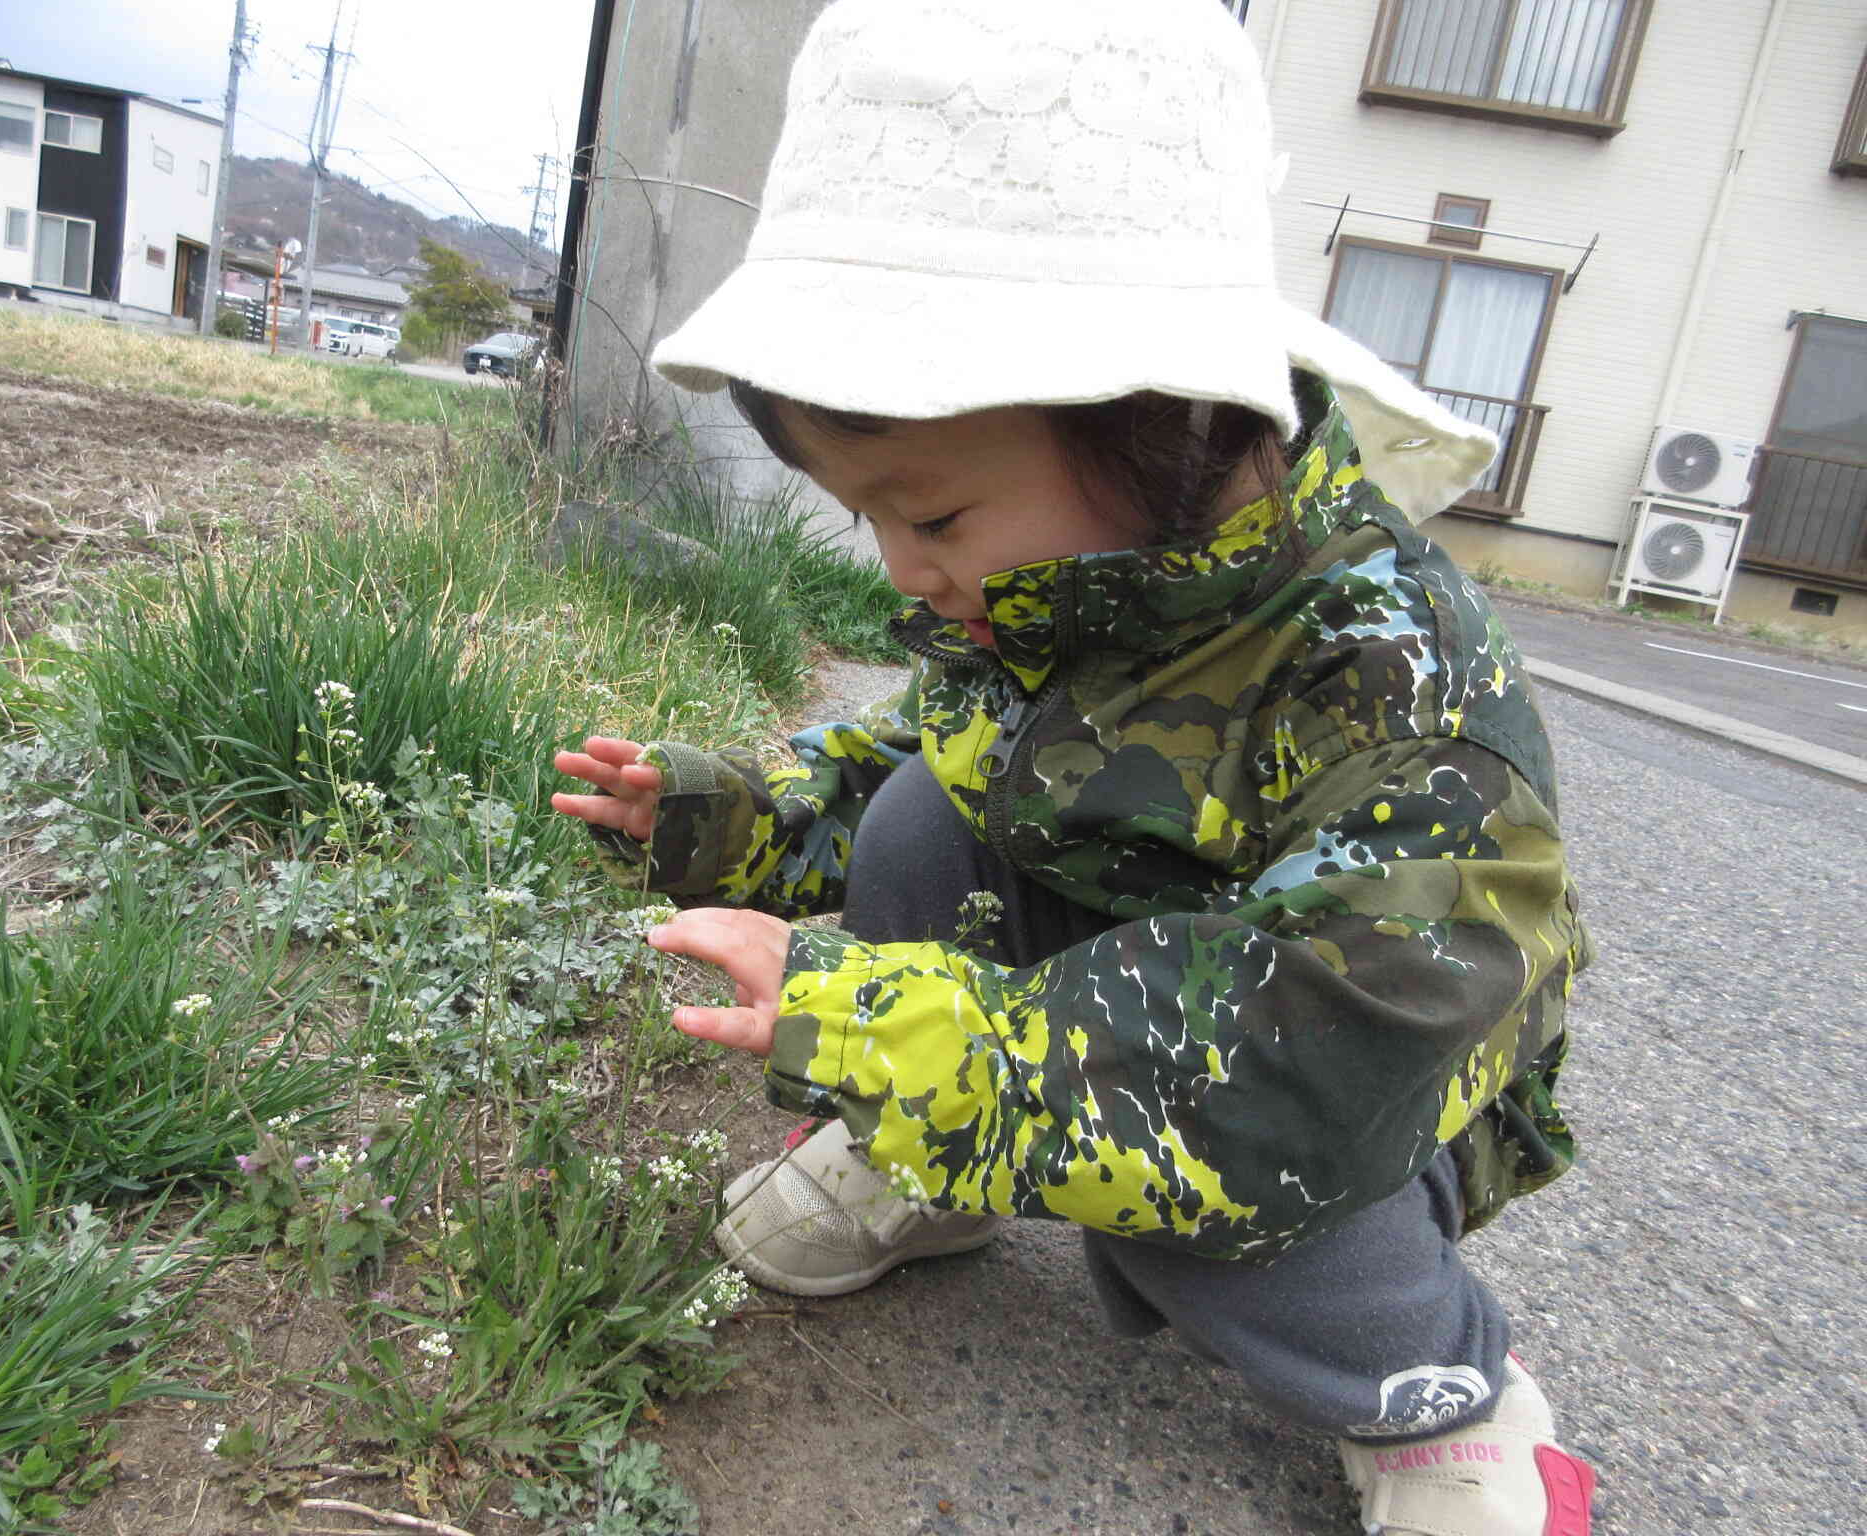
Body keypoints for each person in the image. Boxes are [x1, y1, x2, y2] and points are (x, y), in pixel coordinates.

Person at [551, 3, 1596, 1532]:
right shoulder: (1088, 577)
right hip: (1126, 1003)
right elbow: (944, 750)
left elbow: (1320, 1047)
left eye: (938, 519)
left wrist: (910, 1042)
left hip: (1336, 1079)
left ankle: (1440, 1396)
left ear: (1162, 426)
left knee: (1202, 1188)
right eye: (873, 524)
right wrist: (732, 822)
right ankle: (945, 1168)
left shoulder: (1386, 668)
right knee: (929, 813)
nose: (908, 573)